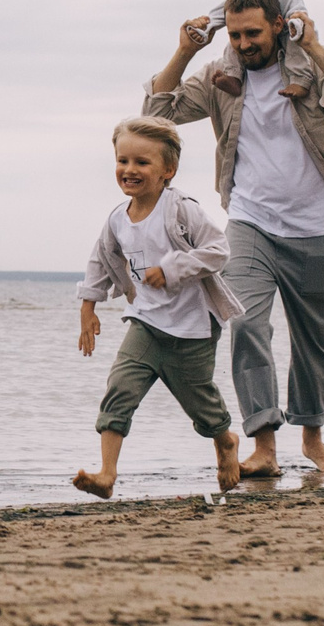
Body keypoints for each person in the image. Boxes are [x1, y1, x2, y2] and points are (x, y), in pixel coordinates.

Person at [145, 0, 324, 476]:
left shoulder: (307, 67)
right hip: (250, 221)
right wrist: (185, 50)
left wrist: (314, 45)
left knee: (314, 337)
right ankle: (264, 446)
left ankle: (313, 440)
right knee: (246, 324)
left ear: (277, 24)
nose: (245, 43)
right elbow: (156, 114)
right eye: (234, 35)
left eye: (253, 32)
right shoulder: (220, 75)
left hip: (317, 226)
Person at [73, 117, 244, 498]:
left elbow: (219, 250)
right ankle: (107, 474)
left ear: (168, 170)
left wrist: (171, 269)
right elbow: (100, 260)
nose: (129, 170)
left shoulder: (180, 209)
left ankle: (225, 439)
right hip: (146, 322)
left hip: (193, 326)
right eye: (123, 161)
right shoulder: (118, 218)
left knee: (200, 403)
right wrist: (88, 306)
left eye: (142, 163)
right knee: (120, 388)